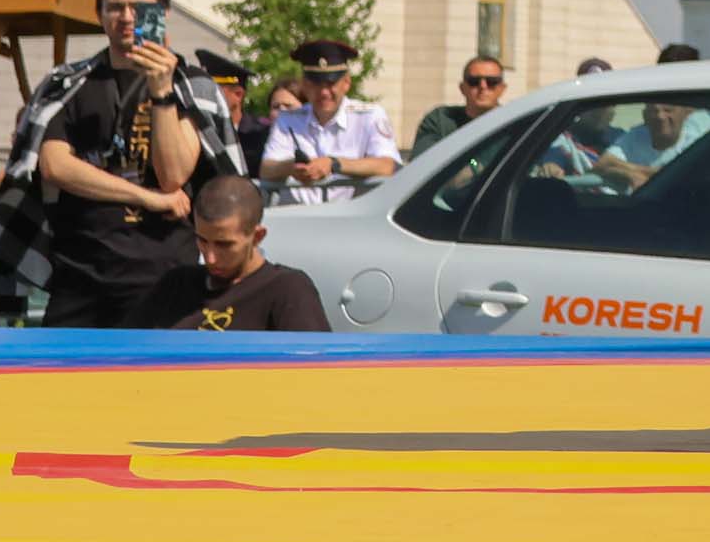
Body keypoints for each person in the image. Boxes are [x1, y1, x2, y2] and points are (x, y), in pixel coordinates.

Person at [0, 0, 239, 328]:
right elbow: (55, 166)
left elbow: (173, 177)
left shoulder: (191, 86)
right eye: (115, 7)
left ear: (162, 14)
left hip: (166, 274)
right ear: (100, 14)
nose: (127, 17)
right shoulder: (68, 83)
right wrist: (146, 198)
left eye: (139, 8)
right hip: (81, 274)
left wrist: (161, 93)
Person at [137, 177, 330, 332]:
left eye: (224, 245)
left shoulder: (287, 290)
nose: (210, 257)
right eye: (203, 241)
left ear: (257, 236)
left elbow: (314, 370)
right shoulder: (176, 284)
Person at [260, 40, 402, 203]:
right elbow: (267, 169)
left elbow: (387, 166)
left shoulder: (370, 116)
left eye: (331, 83)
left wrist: (334, 164)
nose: (324, 92)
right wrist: (292, 168)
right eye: (316, 84)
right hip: (299, 218)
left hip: (349, 219)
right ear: (305, 85)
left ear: (346, 83)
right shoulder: (288, 119)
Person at [411, 57, 509, 155]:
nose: (483, 86)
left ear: (502, 88)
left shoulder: (513, 123)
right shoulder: (440, 120)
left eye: (491, 82)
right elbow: (423, 161)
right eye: (474, 81)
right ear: (462, 88)